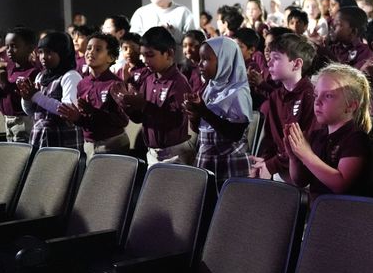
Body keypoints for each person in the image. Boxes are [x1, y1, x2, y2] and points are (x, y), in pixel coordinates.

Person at [285, 63, 372, 198]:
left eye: (328, 96)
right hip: (318, 211)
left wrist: (306, 155)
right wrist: (295, 157)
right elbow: (301, 181)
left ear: (350, 106)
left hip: (343, 214)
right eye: (316, 95)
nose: (317, 101)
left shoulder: (356, 138)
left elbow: (341, 184)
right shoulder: (317, 135)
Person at [115, 27, 194, 165]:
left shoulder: (178, 82)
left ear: (169, 54)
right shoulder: (149, 80)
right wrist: (126, 105)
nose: (145, 60)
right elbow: (140, 118)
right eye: (143, 55)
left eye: (150, 55)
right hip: (152, 153)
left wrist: (144, 105)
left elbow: (176, 121)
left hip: (174, 153)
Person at [184, 37, 252, 183]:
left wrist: (203, 111)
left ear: (224, 61)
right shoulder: (210, 88)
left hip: (230, 165)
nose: (200, 64)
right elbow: (202, 130)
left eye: (206, 59)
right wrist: (194, 115)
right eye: (200, 59)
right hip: (208, 160)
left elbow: (234, 134)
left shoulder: (238, 92)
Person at [251, 33, 317, 182]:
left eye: (276, 59)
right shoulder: (275, 96)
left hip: (304, 171)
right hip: (279, 168)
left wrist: (271, 164)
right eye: (270, 58)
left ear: (296, 64)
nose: (269, 64)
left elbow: (306, 142)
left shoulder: (311, 95)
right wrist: (265, 161)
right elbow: (269, 138)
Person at [61, 33, 130, 155]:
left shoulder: (114, 84)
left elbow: (122, 121)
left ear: (111, 57)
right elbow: (86, 121)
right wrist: (76, 118)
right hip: (89, 145)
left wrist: (93, 112)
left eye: (98, 49)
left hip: (112, 144)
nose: (90, 52)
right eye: (89, 48)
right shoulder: (82, 84)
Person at [18, 31, 84, 150]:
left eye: (49, 52)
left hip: (62, 140)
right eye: (40, 52)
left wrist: (36, 96)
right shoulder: (41, 76)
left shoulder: (70, 76)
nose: (43, 57)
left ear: (63, 53)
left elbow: (67, 110)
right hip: (40, 138)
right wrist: (26, 98)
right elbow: (33, 113)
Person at [129, 0, 198, 47]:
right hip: (148, 57)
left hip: (177, 57)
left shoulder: (183, 12)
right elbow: (133, 39)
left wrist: (173, 32)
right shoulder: (141, 13)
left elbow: (193, 40)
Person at [0, 26, 39, 142]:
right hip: (7, 119)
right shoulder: (9, 69)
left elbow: (25, 99)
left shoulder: (33, 72)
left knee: (23, 155)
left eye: (14, 46)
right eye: (7, 47)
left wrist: (4, 82)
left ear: (29, 48)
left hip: (24, 122)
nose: (9, 51)